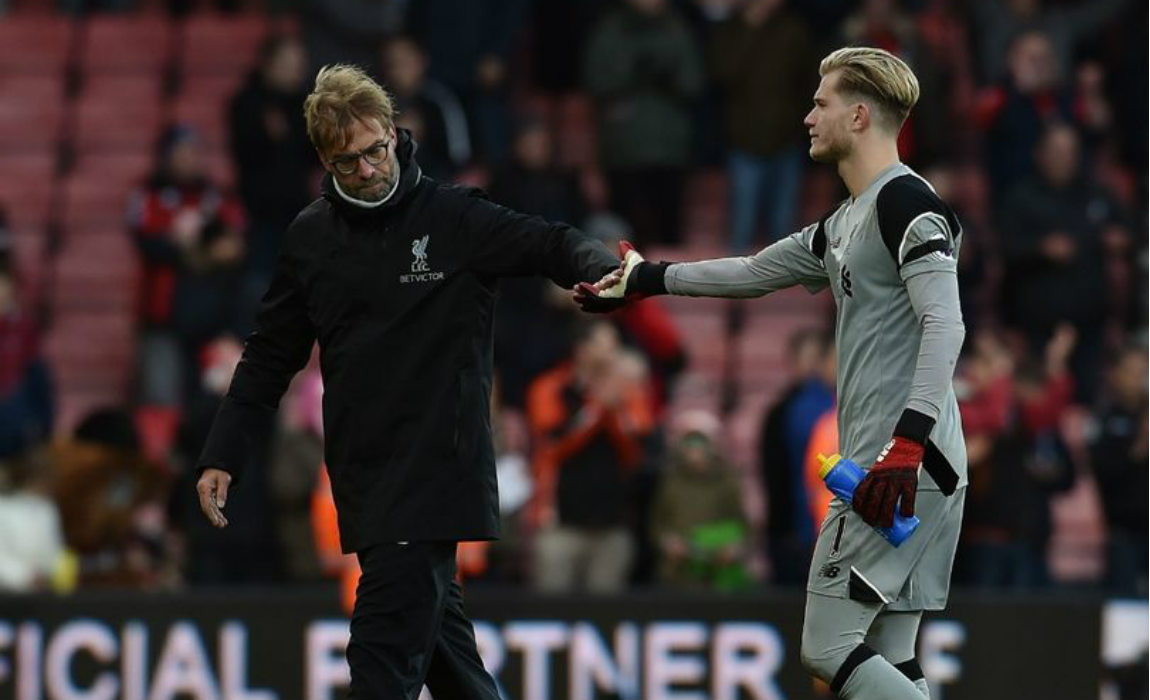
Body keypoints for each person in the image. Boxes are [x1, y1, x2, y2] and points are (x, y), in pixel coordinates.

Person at [194, 64, 618, 700]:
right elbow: (267, 357)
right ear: (324, 160)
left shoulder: (453, 218)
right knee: (451, 666)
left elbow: (550, 242)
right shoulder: (310, 238)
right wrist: (224, 451)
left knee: (379, 657)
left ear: (395, 132)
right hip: (365, 475)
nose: (367, 170)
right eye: (347, 162)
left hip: (438, 468)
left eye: (375, 150)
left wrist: (605, 269)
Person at [579, 47, 967, 699]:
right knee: (890, 652)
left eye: (821, 102)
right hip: (918, 466)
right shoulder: (847, 219)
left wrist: (904, 445)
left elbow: (946, 323)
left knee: (827, 646)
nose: (808, 116)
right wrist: (647, 279)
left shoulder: (908, 205)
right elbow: (755, 271)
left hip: (899, 465)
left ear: (861, 115)